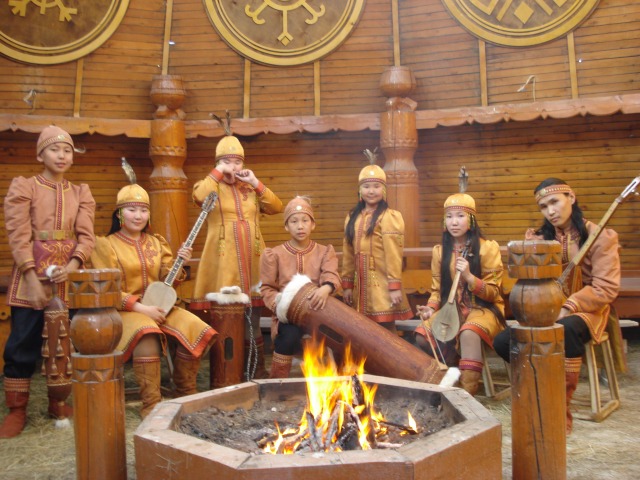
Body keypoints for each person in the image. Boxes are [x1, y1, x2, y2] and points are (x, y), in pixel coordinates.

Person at [493, 178, 620, 433]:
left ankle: (558, 413)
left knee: (566, 330)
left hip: (588, 310)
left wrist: (570, 306)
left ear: (571, 197)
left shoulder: (599, 236)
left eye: (555, 202)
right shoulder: (538, 239)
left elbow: (605, 288)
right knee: (505, 340)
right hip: (546, 308)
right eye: (543, 206)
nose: (550, 211)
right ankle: (538, 392)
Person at [89, 183, 218, 418]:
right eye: (131, 210)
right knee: (147, 333)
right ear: (119, 214)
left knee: (197, 327)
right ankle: (151, 404)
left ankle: (185, 393)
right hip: (125, 311)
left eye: (143, 210)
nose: (138, 216)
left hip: (161, 307)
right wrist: (139, 307)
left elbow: (167, 281)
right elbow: (106, 288)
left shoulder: (157, 242)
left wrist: (178, 264)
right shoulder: (105, 245)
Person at [0, 126, 96, 438]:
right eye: (54, 149)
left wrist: (74, 264)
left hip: (68, 280)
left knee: (64, 343)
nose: (62, 155)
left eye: (67, 150)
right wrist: (30, 277)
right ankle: (17, 410)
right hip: (29, 278)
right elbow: (18, 233)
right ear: (40, 154)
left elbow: (86, 235)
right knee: (22, 343)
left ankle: (59, 403)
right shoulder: (25, 186)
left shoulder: (81, 192)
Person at [191, 123, 283, 379]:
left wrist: (255, 182)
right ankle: (227, 374)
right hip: (223, 261)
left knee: (253, 318)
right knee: (226, 319)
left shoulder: (249, 188)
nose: (233, 166)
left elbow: (276, 207)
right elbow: (199, 196)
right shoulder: (210, 185)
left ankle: (257, 372)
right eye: (226, 161)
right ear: (218, 163)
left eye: (237, 161)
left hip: (254, 258)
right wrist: (217, 173)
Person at [414, 192, 505, 396]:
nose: (454, 222)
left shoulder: (488, 248)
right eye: (449, 216)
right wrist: (430, 308)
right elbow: (437, 290)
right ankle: (450, 376)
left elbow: (493, 293)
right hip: (452, 309)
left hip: (484, 308)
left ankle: (466, 395)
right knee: (422, 334)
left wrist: (470, 277)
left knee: (469, 332)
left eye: (460, 216)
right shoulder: (440, 251)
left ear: (471, 219)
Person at [260, 196, 342, 378]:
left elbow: (331, 274)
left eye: (305, 221)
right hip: (289, 316)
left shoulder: (324, 251)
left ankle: (340, 383)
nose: (300, 226)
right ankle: (278, 382)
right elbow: (267, 289)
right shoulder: (274, 254)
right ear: (286, 226)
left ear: (313, 225)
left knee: (339, 335)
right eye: (294, 221)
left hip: (320, 311)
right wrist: (282, 306)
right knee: (288, 336)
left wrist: (326, 288)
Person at [341, 163, 413, 331]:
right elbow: (348, 254)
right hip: (360, 285)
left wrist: (394, 287)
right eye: (366, 186)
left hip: (382, 283)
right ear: (360, 189)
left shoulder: (389, 217)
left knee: (386, 328)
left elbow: (394, 255)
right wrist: (347, 286)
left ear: (384, 189)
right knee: (362, 329)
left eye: (376, 186)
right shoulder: (352, 217)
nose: (371, 191)